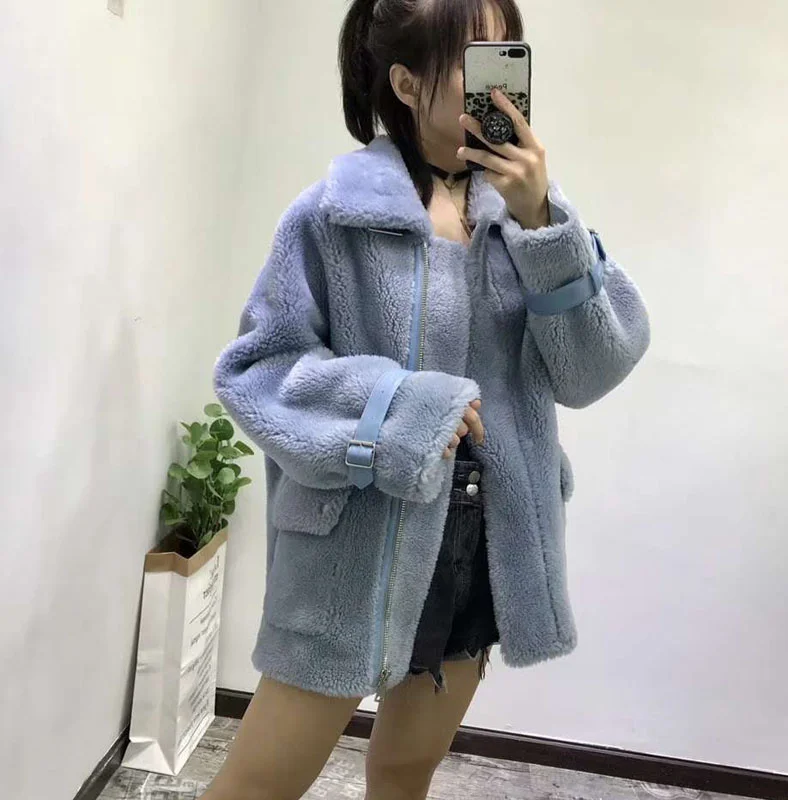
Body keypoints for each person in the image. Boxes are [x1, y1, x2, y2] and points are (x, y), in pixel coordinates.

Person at [203, 0, 650, 797]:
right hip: (354, 541)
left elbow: (591, 371)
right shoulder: (332, 215)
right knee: (259, 785)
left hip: (485, 539)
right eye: (477, 57)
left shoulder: (532, 218)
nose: (498, 82)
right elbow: (260, 370)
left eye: (509, 53)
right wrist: (399, 411)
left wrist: (544, 226)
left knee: (406, 770)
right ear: (407, 83)